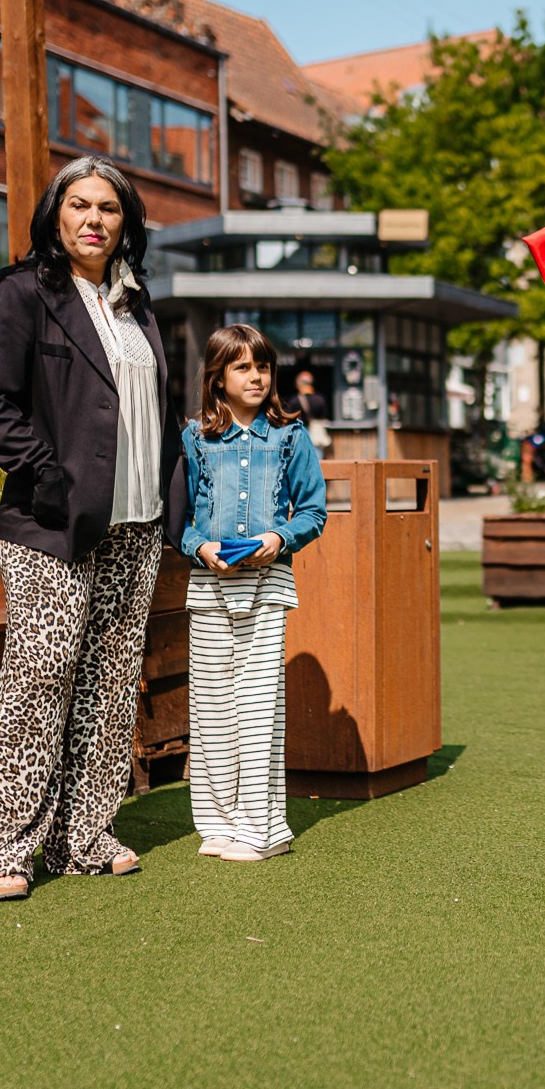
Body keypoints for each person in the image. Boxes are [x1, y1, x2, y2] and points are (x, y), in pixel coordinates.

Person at [0, 156, 181, 902]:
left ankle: (83, 834)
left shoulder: (137, 304)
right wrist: (47, 472)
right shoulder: (27, 292)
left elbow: (158, 411)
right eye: (79, 205)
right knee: (40, 675)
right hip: (52, 523)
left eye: (109, 208)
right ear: (57, 215)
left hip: (136, 523)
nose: (94, 218)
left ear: (127, 223)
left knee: (112, 683)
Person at [178, 324, 328, 863]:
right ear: (218, 377)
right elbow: (181, 520)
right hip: (209, 587)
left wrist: (278, 538)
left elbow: (314, 512)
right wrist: (200, 549)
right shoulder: (195, 438)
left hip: (268, 587)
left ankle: (262, 828)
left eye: (263, 366)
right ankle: (217, 823)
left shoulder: (291, 438)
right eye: (243, 367)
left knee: (259, 706)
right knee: (213, 706)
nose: (256, 376)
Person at [292, 368, 333, 453]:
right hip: (317, 433)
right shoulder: (320, 399)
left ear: (299, 384)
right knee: (317, 458)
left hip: (299, 433)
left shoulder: (294, 401)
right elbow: (325, 415)